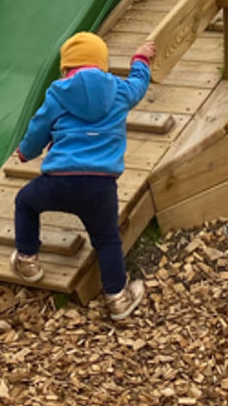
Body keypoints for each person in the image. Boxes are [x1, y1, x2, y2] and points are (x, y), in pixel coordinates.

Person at [10, 31, 156, 322]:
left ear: (66, 68)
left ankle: (27, 261)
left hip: (60, 179)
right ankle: (117, 299)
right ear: (102, 65)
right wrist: (141, 59)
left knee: (25, 203)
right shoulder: (119, 89)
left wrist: (27, 152)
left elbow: (40, 125)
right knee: (106, 239)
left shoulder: (59, 91)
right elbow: (139, 86)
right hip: (100, 185)